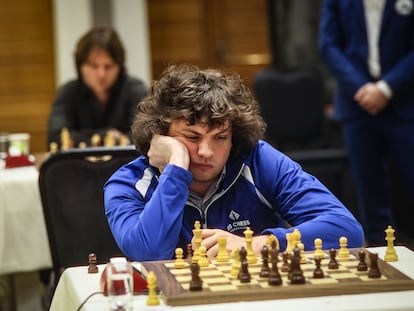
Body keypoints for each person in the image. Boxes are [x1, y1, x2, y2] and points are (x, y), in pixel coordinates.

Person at [104, 64, 364, 262]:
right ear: (159, 135)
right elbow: (149, 253)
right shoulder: (128, 183)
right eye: (192, 137)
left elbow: (347, 230)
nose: (206, 151)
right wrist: (176, 167)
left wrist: (256, 244)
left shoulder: (258, 160)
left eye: (220, 138)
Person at [318, 0, 414, 246]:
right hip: (356, 103)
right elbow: (328, 46)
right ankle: (381, 259)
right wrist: (363, 89)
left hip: (404, 102)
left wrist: (386, 87)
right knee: (369, 191)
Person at [47, 26, 147, 148]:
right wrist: (106, 135)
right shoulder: (68, 92)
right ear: (80, 66)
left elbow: (146, 137)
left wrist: (84, 138)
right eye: (94, 66)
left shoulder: (135, 90)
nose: (101, 74)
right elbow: (55, 137)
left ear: (120, 66)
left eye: (108, 66)